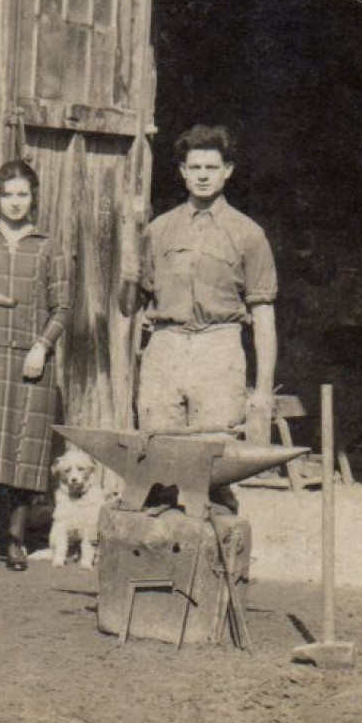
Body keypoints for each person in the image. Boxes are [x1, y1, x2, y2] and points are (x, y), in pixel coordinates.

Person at [124, 125, 278, 509]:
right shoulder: (157, 231)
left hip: (219, 346)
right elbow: (130, 305)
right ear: (182, 171)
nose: (204, 175)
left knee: (214, 465)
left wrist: (262, 391)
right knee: (157, 455)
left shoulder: (249, 235)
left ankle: (214, 559)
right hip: (166, 346)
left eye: (212, 166)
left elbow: (263, 315)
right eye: (195, 167)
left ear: (228, 170)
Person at [0, 160, 71, 572]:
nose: (15, 202)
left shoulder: (48, 246)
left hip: (29, 362)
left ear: (33, 197)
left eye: (23, 194)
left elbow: (62, 307)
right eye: (8, 195)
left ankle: (15, 540)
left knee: (24, 448)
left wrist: (42, 346)